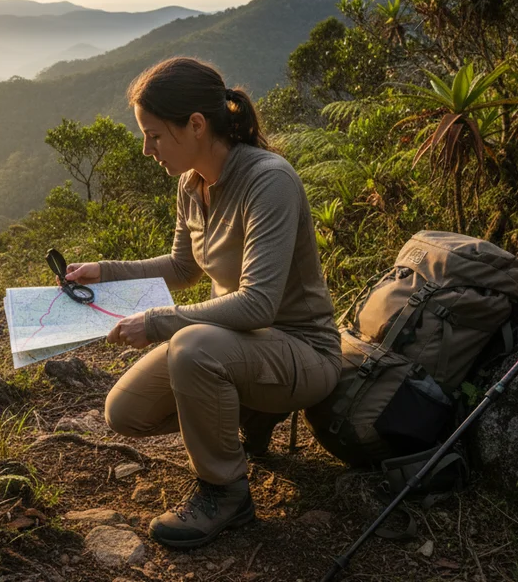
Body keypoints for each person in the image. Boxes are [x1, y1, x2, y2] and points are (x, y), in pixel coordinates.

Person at [63, 57, 342, 549]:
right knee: (124, 412)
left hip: (302, 351)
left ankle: (225, 491)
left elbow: (257, 305)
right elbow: (183, 267)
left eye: (153, 135)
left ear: (195, 125)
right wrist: (103, 272)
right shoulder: (191, 184)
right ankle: (244, 413)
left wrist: (157, 322)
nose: (146, 149)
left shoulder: (268, 181)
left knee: (190, 347)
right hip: (236, 346)